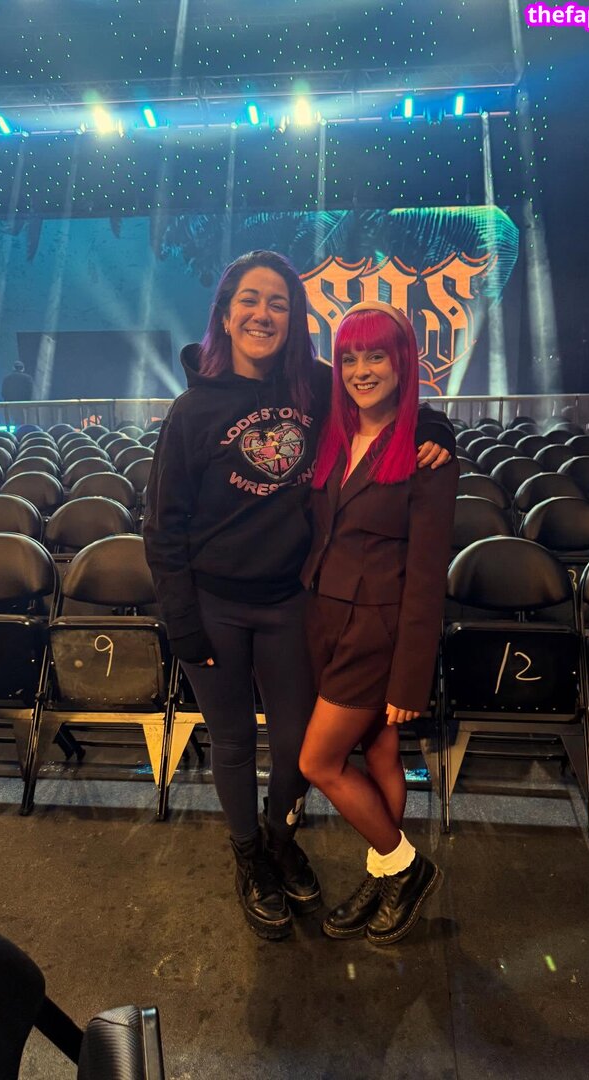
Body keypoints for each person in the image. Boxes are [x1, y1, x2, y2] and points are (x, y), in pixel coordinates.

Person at [143, 251, 455, 941]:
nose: (263, 314)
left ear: (294, 318)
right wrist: (183, 624)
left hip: (292, 603)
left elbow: (390, 399)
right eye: (249, 300)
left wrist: (435, 431)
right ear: (226, 314)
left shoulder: (314, 386)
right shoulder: (191, 411)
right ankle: (250, 859)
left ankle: (281, 840)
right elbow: (162, 528)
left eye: (278, 303)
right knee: (231, 742)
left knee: (295, 746)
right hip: (213, 606)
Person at [298, 301, 458, 946]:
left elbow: (426, 578)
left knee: (319, 762)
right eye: (349, 358)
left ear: (402, 363)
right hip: (324, 619)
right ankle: (382, 875)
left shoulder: (426, 455)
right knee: (380, 750)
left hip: (375, 632)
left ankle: (406, 867)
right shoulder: (332, 435)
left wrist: (410, 678)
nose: (361, 370)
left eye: (375, 356)